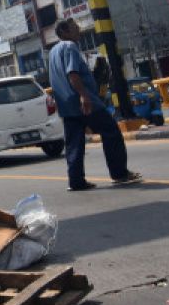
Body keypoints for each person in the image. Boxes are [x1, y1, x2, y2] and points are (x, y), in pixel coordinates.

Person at [47, 18, 143, 192]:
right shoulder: (69, 47)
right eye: (75, 27)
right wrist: (84, 96)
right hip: (85, 103)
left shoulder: (53, 51)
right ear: (65, 32)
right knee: (111, 131)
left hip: (66, 105)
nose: (79, 30)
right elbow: (73, 74)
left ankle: (76, 181)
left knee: (74, 143)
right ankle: (119, 173)